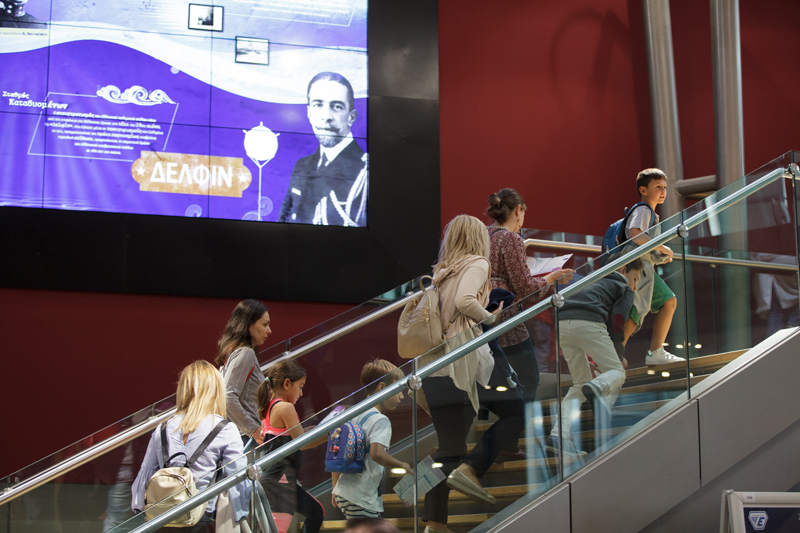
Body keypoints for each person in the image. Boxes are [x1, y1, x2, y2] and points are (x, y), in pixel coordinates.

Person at [419, 215, 505, 533]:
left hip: (432, 365)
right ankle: (467, 474)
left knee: (450, 447)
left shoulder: (441, 273)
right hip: (459, 364)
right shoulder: (478, 264)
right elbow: (465, 300)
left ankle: (432, 521)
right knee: (516, 410)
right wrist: (490, 318)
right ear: (477, 238)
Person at [486, 189, 573, 453]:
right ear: (518, 210)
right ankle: (506, 441)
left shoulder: (485, 235)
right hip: (508, 317)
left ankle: (506, 441)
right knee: (530, 379)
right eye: (524, 213)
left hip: (486, 315)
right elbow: (525, 288)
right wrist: (551, 278)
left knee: (505, 381)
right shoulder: (510, 238)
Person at [131, 361, 250, 532]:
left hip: (162, 518)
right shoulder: (225, 429)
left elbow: (147, 472)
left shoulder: (162, 428)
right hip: (201, 519)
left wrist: (138, 506)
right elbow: (238, 477)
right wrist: (242, 513)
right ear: (216, 390)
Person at [545, 257, 644, 457]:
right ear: (623, 269)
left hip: (562, 324)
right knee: (617, 372)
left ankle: (557, 436)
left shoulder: (590, 278)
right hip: (588, 322)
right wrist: (618, 355)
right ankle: (597, 387)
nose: (635, 285)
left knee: (579, 383)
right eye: (635, 278)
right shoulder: (624, 288)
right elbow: (617, 322)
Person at [278, 71, 368, 227]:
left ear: (351, 117)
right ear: (309, 113)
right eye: (318, 105)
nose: (326, 116)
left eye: (337, 107)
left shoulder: (365, 172)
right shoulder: (302, 165)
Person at [331, 359, 410, 519]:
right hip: (362, 497)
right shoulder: (380, 420)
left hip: (345, 492)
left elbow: (336, 450)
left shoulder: (353, 414)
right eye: (399, 389)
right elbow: (377, 454)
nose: (402, 396)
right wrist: (402, 464)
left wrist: (335, 487)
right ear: (382, 387)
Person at [256, 360, 328, 533]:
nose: (301, 393)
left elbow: (292, 435)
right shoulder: (286, 408)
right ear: (287, 383)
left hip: (277, 479)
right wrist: (329, 434)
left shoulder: (269, 406)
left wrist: (315, 429)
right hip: (280, 481)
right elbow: (302, 443)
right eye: (300, 387)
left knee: (315, 511)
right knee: (312, 514)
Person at [621, 169, 684, 365]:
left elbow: (640, 242)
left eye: (664, 187)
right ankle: (614, 356)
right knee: (637, 308)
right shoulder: (644, 210)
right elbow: (635, 234)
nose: (663, 191)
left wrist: (658, 256)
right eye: (658, 187)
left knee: (666, 301)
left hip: (643, 266)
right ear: (643, 190)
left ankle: (654, 351)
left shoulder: (650, 213)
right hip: (637, 268)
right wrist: (662, 247)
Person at [217, 300, 271, 446]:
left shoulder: (236, 352)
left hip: (240, 436)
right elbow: (228, 396)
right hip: (244, 439)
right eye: (264, 325)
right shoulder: (245, 353)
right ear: (249, 324)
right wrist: (253, 429)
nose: (269, 330)